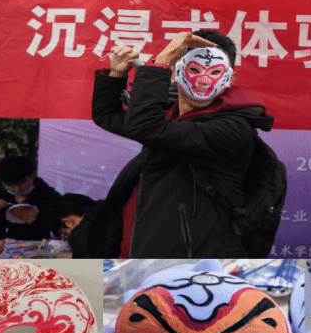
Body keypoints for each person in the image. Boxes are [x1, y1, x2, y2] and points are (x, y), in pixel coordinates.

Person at [88, 30, 275, 258]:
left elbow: (145, 126)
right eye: (194, 70)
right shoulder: (169, 115)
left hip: (190, 255)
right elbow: (107, 116)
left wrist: (160, 63)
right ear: (177, 72)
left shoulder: (232, 129)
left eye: (215, 72)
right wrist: (116, 75)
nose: (204, 80)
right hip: (138, 247)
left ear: (230, 78)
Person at [0, 156, 60, 241]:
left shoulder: (50, 196)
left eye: (21, 183)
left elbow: (59, 232)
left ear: (32, 176)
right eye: (9, 185)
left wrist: (37, 221)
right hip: (0, 247)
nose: (17, 189)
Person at [47, 193, 103, 258]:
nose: (69, 236)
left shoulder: (81, 243)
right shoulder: (109, 207)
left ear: (68, 222)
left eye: (66, 234)